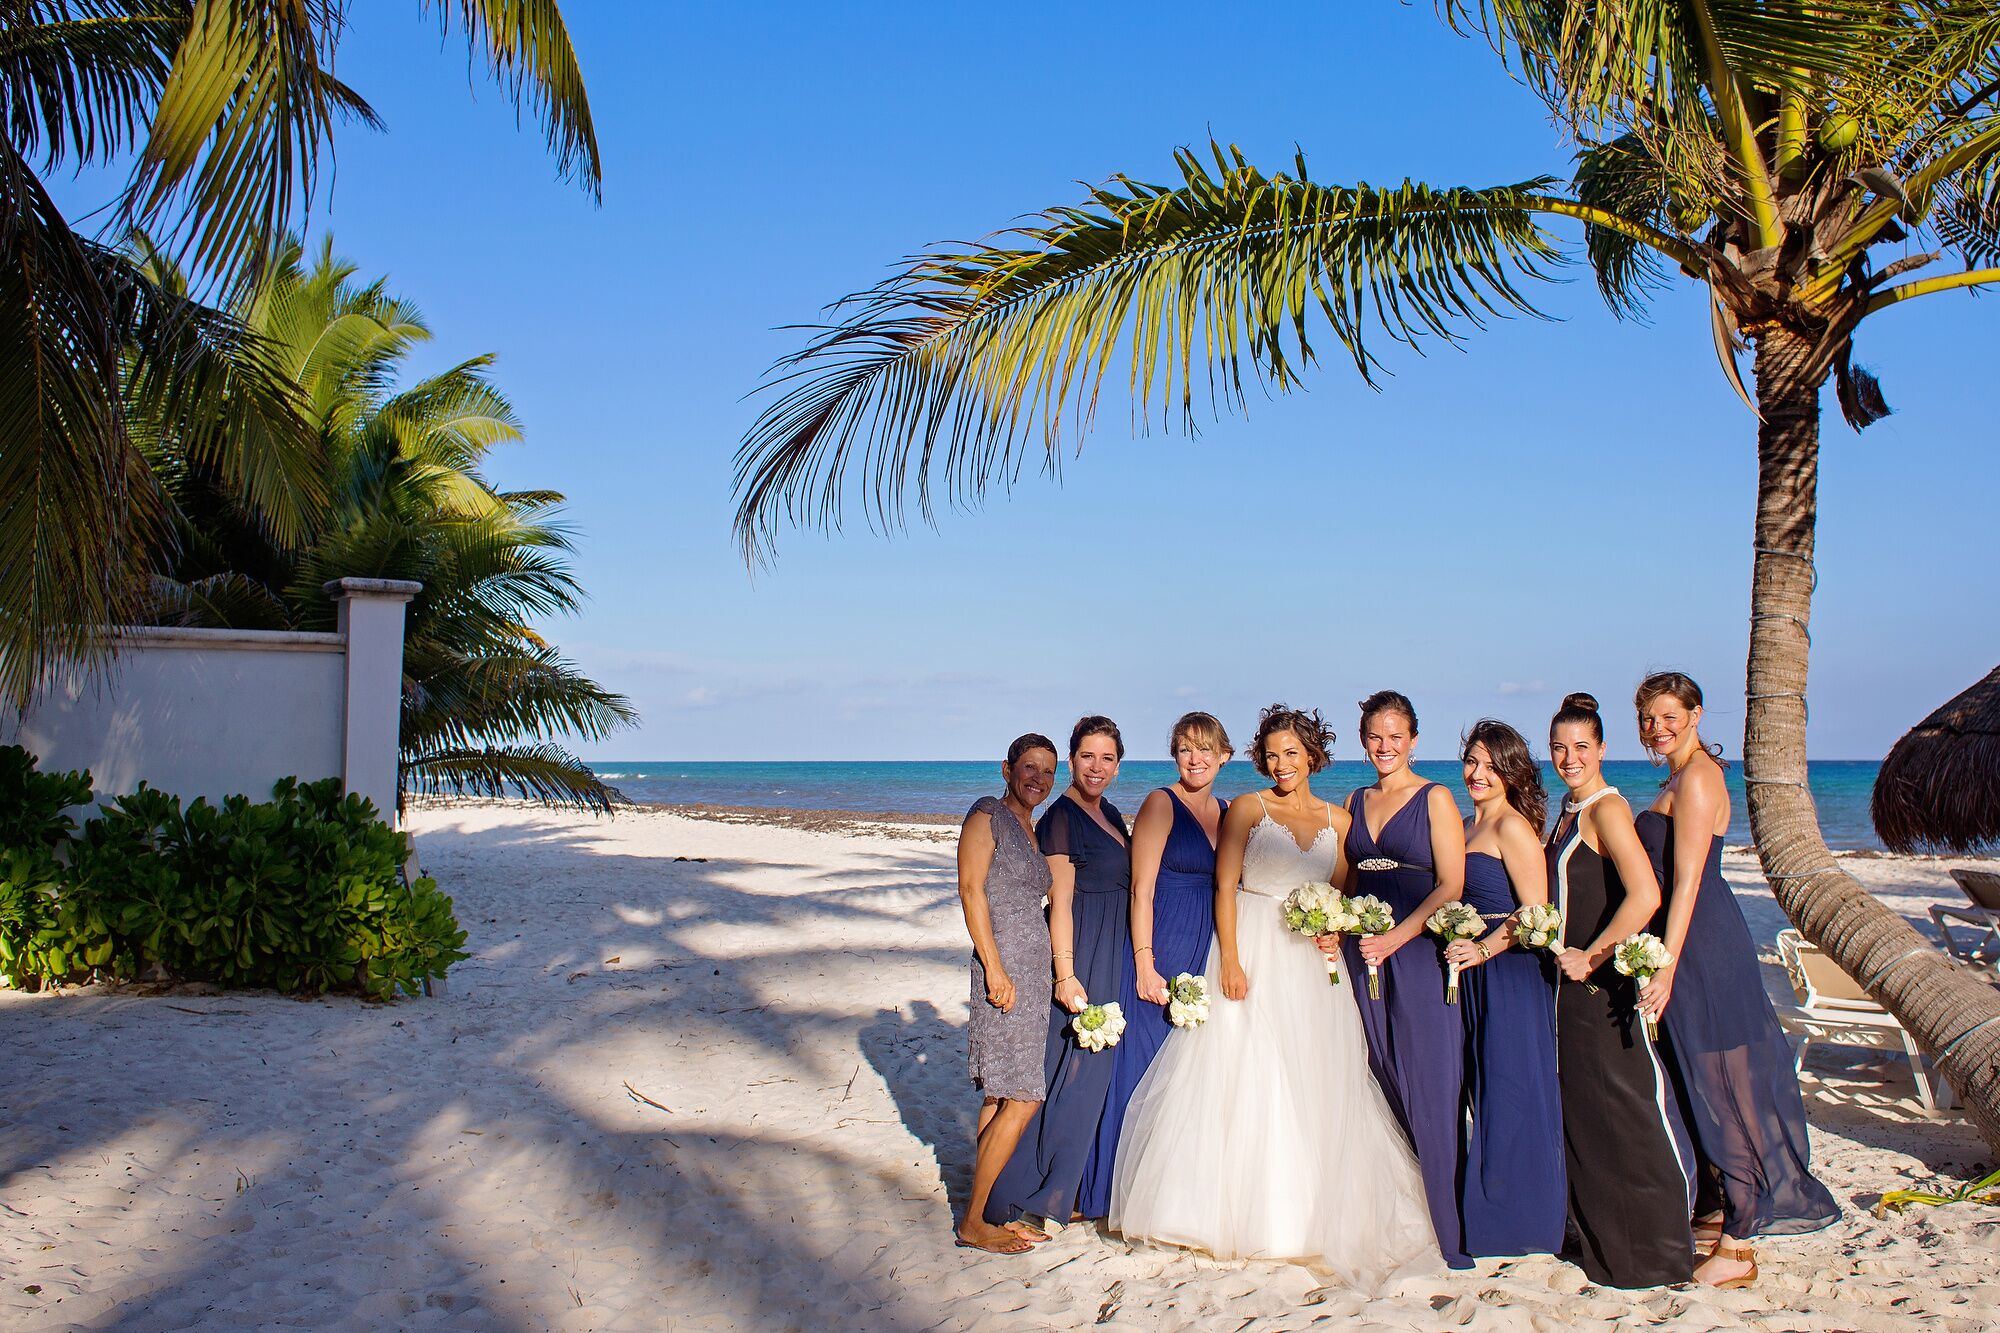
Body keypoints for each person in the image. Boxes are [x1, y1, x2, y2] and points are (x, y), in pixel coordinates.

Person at [1110, 705, 1439, 1288]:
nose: (1282, 764)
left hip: (1310, 965)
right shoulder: (1247, 809)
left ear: (1313, 755)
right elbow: (1226, 885)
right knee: (1244, 1070)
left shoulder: (1340, 821)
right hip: (1253, 948)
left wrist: (1332, 928)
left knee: (1311, 1074)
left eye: (1293, 753)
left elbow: (1340, 890)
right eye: (1273, 754)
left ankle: (1308, 1215)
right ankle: (1223, 1212)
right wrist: (1231, 959)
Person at [1631, 671, 1839, 1287]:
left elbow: (1689, 879)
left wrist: (1665, 964)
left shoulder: (1699, 776)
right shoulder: (1676, 776)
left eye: (1669, 715)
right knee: (1700, 1077)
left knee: (1726, 1084)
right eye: (1647, 719)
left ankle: (1741, 1244)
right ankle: (1724, 1213)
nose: (1657, 728)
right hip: (1683, 935)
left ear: (1696, 713)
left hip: (1700, 940)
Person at [1546, 693, 1697, 1288]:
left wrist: (1595, 953)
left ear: (1602, 749)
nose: (1569, 757)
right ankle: (1606, 1245)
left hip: (1602, 988)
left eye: (1582, 746)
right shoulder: (1568, 807)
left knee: (1627, 1110)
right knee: (1588, 1115)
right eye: (1559, 747)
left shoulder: (1607, 810)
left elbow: (1646, 895)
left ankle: (1656, 1253)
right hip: (1572, 994)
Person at [1338, 690, 1471, 1269]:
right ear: (1363, 740)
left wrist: (1401, 936)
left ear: (1413, 739)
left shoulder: (1436, 797)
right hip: (1359, 951)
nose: (1385, 746)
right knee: (1373, 1066)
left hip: (1415, 953)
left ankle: (1448, 1217)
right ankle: (1396, 1208)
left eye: (1396, 736)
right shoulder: (1352, 797)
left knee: (1429, 1074)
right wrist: (1332, 927)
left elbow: (1451, 884)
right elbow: (1344, 880)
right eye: (1375, 736)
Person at [1080, 712, 1231, 1218]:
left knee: (1183, 1075)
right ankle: (1107, 1193)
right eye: (1186, 749)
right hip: (1158, 945)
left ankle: (1162, 1192)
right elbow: (1141, 890)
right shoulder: (1161, 804)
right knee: (1138, 1069)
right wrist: (1144, 964)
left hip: (1202, 949)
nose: (1196, 759)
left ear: (1224, 757)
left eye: (1206, 749)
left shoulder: (1231, 811)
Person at [986, 716, 1132, 1231]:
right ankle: (1028, 1192)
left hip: (1111, 946)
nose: (1097, 766)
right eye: (1087, 756)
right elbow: (1061, 902)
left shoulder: (1108, 811)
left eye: (1107, 758)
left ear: (1118, 765)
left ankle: (1065, 1185)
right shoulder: (1064, 817)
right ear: (1073, 760)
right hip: (1081, 949)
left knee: (1087, 1075)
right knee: (1069, 1072)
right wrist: (1065, 975)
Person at [1441, 719, 1564, 1258]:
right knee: (1474, 1093)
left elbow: (1538, 914)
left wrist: (1482, 949)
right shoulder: (1463, 827)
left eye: (1491, 765)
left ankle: (1525, 1225)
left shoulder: (1512, 827)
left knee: (1513, 1091)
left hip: (1509, 973)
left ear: (1512, 772)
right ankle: (1481, 1212)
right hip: (1467, 976)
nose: (1478, 773)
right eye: (1472, 761)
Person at [954, 733, 1060, 1252]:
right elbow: (971, 890)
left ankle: (988, 1208)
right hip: (1005, 973)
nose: (1037, 778)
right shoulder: (987, 815)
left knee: (1001, 1094)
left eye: (1047, 771)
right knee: (1022, 1096)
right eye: (1029, 767)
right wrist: (994, 968)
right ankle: (973, 1221)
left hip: (1033, 972)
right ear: (1007, 768)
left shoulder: (1031, 827)